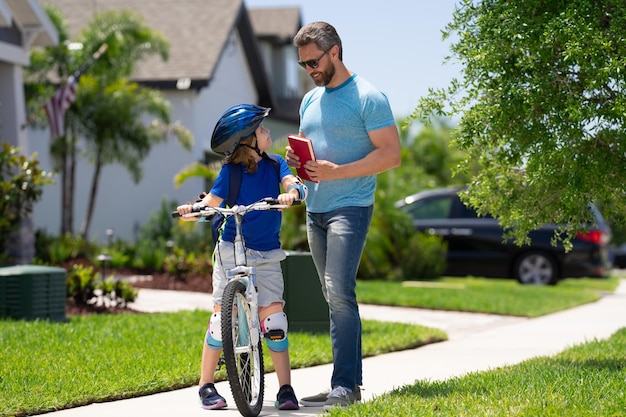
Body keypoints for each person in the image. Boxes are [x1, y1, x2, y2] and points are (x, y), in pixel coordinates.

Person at [286, 22, 401, 410]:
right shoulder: (309, 101)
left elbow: (390, 155)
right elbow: (313, 158)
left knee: (339, 291)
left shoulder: (368, 97)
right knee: (333, 295)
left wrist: (338, 173)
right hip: (315, 209)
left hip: (349, 207)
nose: (310, 71)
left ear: (335, 51)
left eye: (314, 62)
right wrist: (298, 166)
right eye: (303, 65)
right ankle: (349, 384)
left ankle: (344, 385)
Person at [177, 104, 307, 411]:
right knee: (222, 321)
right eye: (262, 130)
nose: (268, 132)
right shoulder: (230, 172)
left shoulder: (276, 165)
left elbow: (293, 185)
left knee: (274, 321)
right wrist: (191, 211)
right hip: (229, 253)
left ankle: (285, 388)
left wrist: (293, 193)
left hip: (267, 255)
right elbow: (211, 202)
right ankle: (206, 385)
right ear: (246, 141)